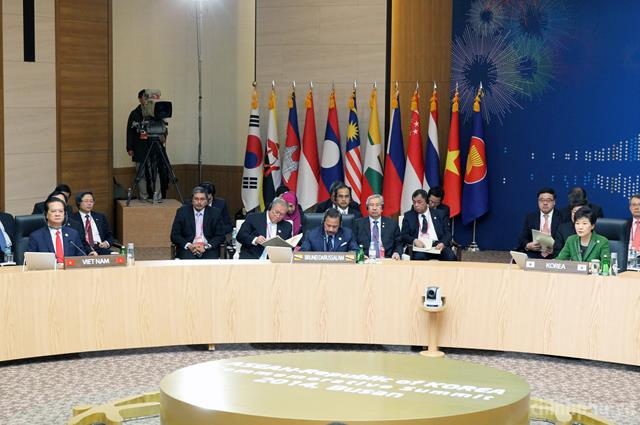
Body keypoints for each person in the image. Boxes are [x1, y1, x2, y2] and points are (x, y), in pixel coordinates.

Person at [127, 89, 167, 202]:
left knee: (156, 172)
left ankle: (157, 196)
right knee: (141, 173)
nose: (147, 100)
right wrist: (129, 147)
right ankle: (143, 196)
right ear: (140, 99)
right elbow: (130, 132)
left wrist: (163, 137)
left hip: (154, 146)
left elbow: (162, 129)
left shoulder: (156, 113)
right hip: (139, 147)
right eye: (145, 98)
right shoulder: (135, 113)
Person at [171, 186, 226, 259]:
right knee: (189, 262)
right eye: (196, 199)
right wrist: (189, 245)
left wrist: (206, 246)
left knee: (209, 263)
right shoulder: (182, 212)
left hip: (208, 248)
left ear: (207, 201)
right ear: (192, 200)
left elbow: (220, 236)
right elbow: (175, 235)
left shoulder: (215, 213)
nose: (199, 202)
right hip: (188, 248)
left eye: (202, 199)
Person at [400, 189, 456, 261]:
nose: (416, 205)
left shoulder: (440, 214)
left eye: (419, 202)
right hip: (420, 247)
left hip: (438, 246)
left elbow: (448, 233)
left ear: (426, 201)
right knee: (419, 257)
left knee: (451, 257)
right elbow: (404, 235)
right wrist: (414, 240)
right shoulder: (409, 216)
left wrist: (443, 243)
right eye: (414, 202)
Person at [27, 197, 87, 262]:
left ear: (64, 214)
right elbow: (30, 262)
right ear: (46, 215)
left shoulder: (73, 234)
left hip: (69, 268)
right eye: (53, 211)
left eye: (61, 211)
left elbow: (82, 257)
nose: (57, 214)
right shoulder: (36, 236)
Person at [354, 194, 402, 260]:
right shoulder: (358, 224)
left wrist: (397, 253)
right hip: (366, 259)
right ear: (367, 208)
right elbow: (353, 243)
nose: (374, 208)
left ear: (382, 208)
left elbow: (398, 243)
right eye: (371, 205)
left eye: (377, 205)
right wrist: (359, 254)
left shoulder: (392, 224)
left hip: (387, 259)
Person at [517, 188, 561, 258]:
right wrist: (528, 245)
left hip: (555, 255)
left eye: (548, 200)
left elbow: (566, 240)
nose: (545, 203)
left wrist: (555, 248)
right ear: (538, 202)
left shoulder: (562, 217)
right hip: (535, 253)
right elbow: (523, 237)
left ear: (554, 202)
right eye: (542, 200)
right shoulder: (531, 217)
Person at [628, 194, 640, 260]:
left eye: (639, 204)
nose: (637, 208)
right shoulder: (625, 225)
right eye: (634, 205)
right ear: (630, 208)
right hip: (628, 258)